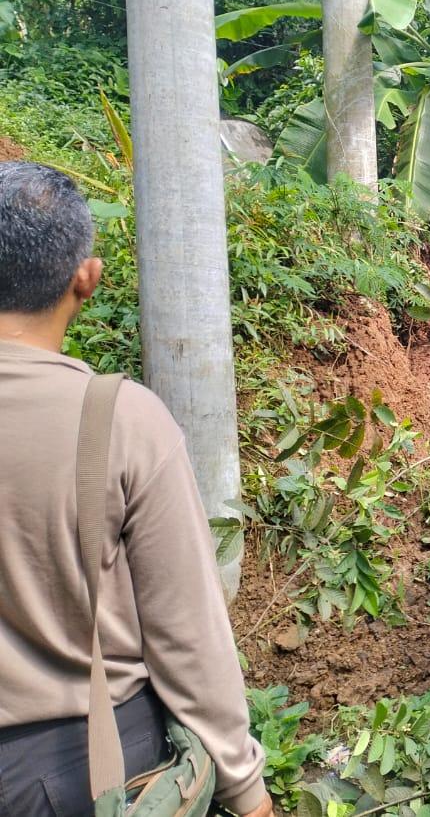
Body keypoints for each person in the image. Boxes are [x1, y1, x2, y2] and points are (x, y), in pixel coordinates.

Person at [0, 162, 273, 816]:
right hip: (87, 768)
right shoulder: (120, 420)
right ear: (85, 279)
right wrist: (247, 790)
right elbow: (187, 638)